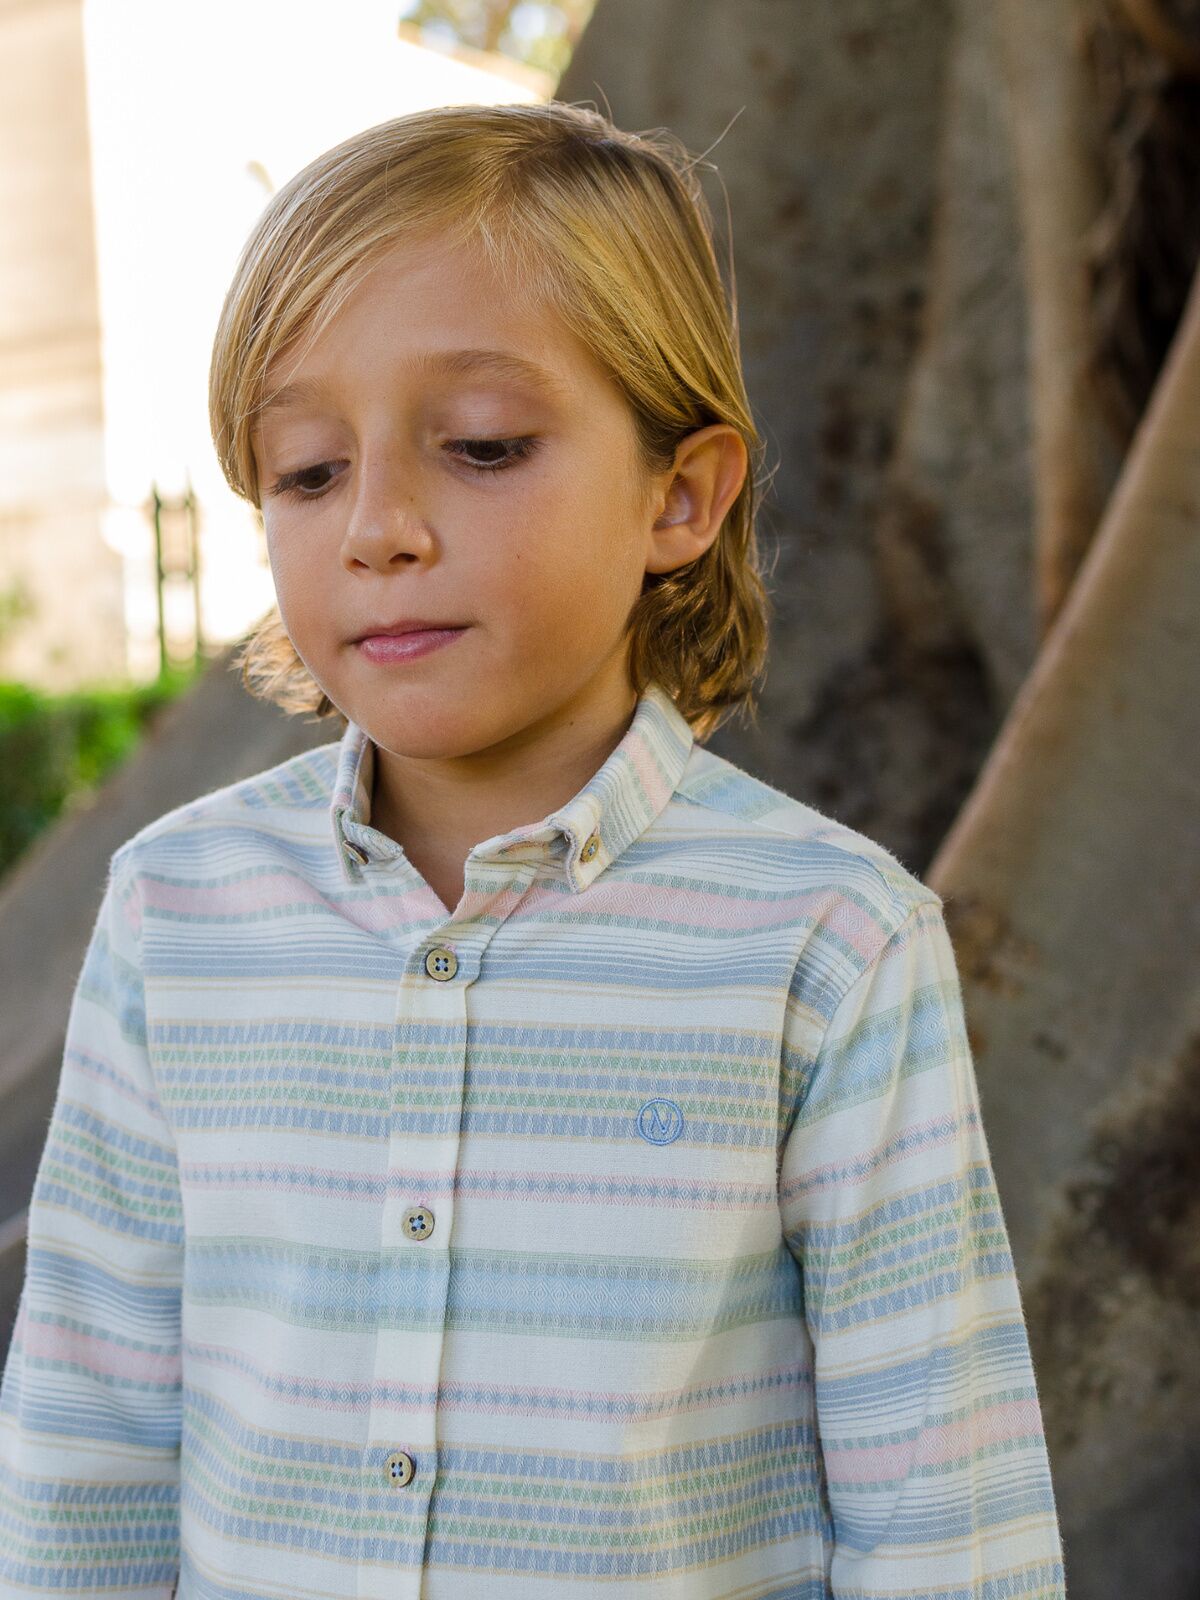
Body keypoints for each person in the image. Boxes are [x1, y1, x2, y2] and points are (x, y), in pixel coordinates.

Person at [0, 100, 1067, 1599]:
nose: (377, 526)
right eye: (305, 471)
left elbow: (943, 1507)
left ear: (680, 495)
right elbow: (88, 1436)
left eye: (483, 447)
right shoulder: (175, 914)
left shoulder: (828, 943)